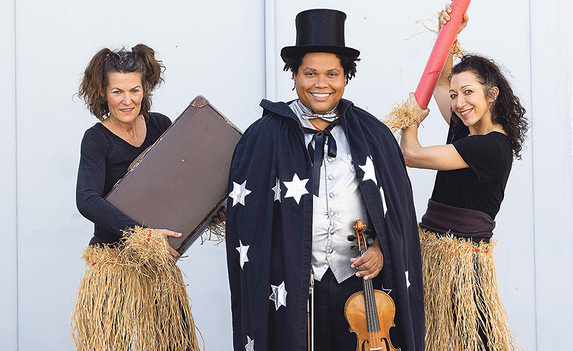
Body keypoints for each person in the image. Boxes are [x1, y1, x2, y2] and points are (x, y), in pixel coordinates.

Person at [225, 9, 424, 351]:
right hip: (293, 287)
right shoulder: (264, 135)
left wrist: (380, 250)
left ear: (346, 76)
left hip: (359, 286)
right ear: (294, 76)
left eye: (332, 73)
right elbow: (248, 218)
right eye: (310, 73)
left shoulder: (372, 134)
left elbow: (398, 215)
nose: (321, 83)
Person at [399, 4, 527, 350]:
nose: (458, 102)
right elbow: (439, 82)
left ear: (492, 94)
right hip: (433, 250)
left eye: (468, 92)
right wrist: (449, 33)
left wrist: (410, 119)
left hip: (463, 262)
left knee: (479, 342)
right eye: (456, 95)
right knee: (429, 338)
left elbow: (410, 154)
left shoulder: (491, 147)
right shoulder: (465, 126)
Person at [72, 44, 200, 351]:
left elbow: (178, 185)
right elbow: (87, 199)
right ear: (102, 93)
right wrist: (141, 235)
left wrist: (208, 211)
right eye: (117, 91)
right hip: (113, 267)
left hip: (158, 270)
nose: (127, 100)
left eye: (134, 90)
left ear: (145, 89)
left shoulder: (159, 125)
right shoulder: (96, 139)